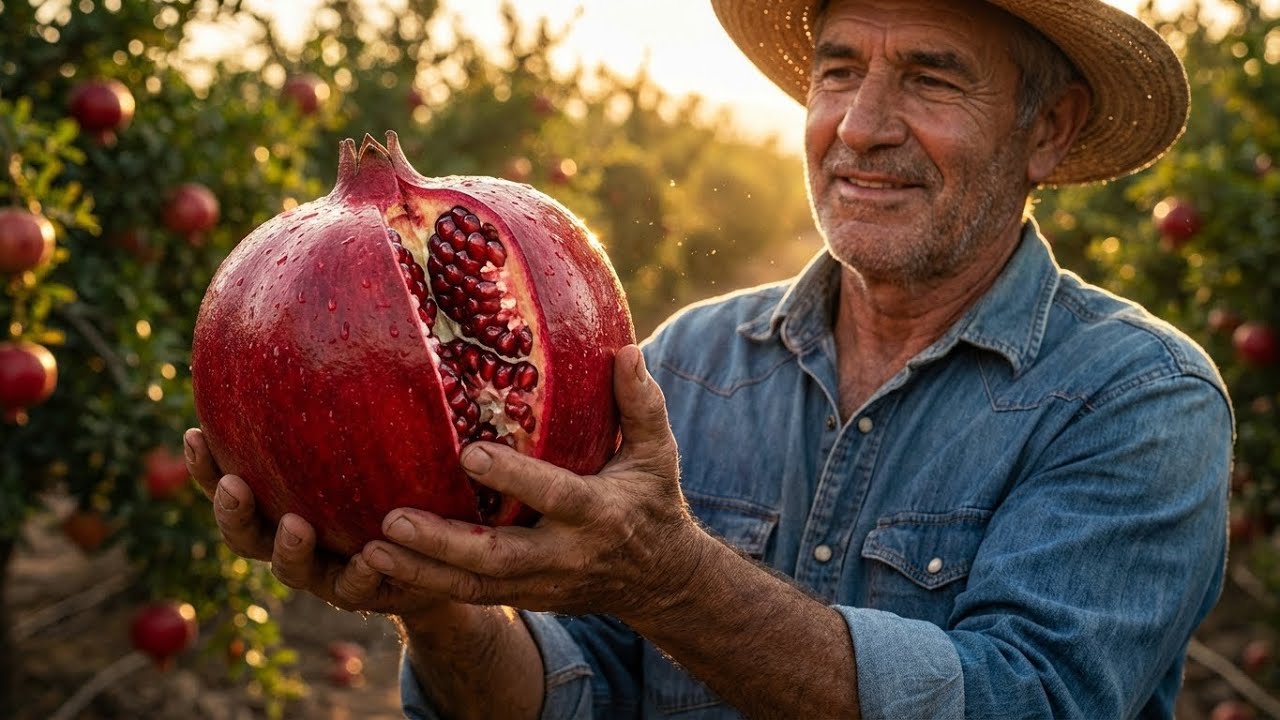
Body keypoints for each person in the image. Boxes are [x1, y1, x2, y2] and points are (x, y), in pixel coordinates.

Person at [184, 0, 1235, 717]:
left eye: (929, 79)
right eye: (838, 72)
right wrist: (431, 592)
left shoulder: (1140, 401)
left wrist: (671, 580)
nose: (861, 127)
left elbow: (1025, 702)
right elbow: (576, 694)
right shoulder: (682, 364)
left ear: (1047, 131)